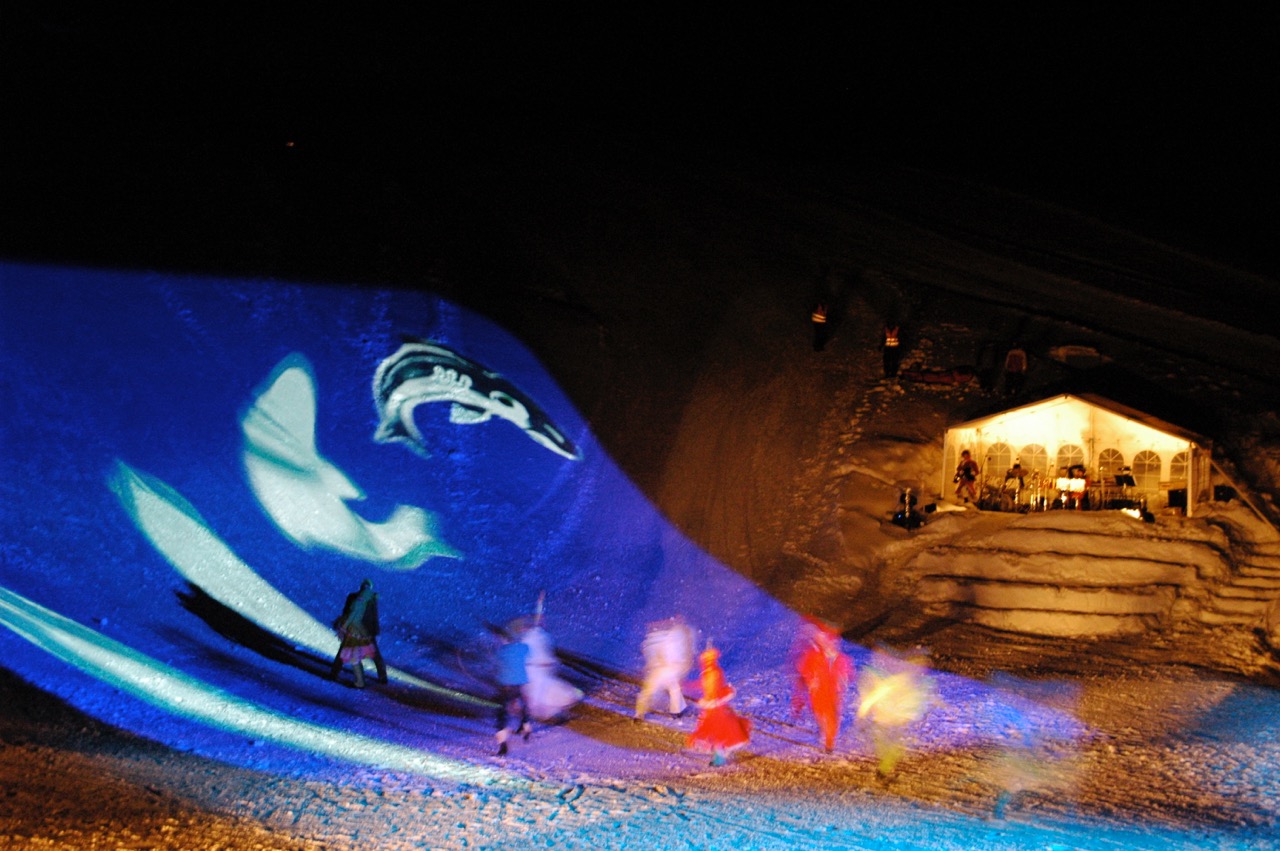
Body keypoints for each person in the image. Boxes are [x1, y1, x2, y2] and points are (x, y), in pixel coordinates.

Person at [520, 593, 584, 723]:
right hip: (537, 669)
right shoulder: (532, 636)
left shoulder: (534, 635)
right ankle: (547, 713)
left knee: (546, 693)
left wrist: (540, 602)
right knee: (543, 693)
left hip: (540, 669)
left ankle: (550, 713)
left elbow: (538, 618)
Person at [790, 619, 852, 752]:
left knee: (831, 715)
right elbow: (804, 668)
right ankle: (824, 730)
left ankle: (829, 741)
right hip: (817, 691)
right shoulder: (813, 654)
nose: (830, 644)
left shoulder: (838, 657)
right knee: (819, 713)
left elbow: (846, 669)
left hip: (831, 691)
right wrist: (809, 679)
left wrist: (843, 680)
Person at [686, 642, 751, 766]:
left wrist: (710, 701)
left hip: (716, 709)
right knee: (716, 735)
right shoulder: (710, 672)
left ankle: (719, 759)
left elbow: (712, 689)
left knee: (717, 735)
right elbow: (704, 686)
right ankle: (719, 757)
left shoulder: (712, 673)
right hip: (714, 708)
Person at [329, 579, 387, 688]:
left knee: (346, 651)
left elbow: (348, 612)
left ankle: (334, 673)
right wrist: (376, 631)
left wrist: (343, 625)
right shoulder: (370, 598)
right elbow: (373, 617)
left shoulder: (357, 598)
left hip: (357, 630)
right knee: (373, 653)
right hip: (365, 631)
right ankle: (382, 677)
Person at [635, 615, 695, 719]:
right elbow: (674, 654)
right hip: (667, 669)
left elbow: (651, 654)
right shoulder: (671, 637)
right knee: (673, 689)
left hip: (663, 670)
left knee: (652, 690)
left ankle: (640, 712)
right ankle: (676, 711)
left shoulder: (657, 639)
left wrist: (650, 665)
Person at [494, 632, 531, 756]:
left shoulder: (502, 651)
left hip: (506, 686)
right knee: (522, 705)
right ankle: (526, 727)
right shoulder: (523, 648)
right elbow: (527, 651)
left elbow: (496, 663)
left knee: (502, 714)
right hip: (520, 684)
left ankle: (503, 744)